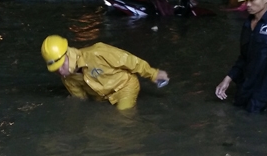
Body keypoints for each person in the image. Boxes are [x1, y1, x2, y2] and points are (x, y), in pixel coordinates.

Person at [41, 35, 170, 110]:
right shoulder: (68, 79)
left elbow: (130, 61)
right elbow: (81, 99)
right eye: (55, 70)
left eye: (61, 65)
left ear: (69, 55)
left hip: (124, 86)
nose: (60, 71)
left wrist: (153, 74)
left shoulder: (98, 53)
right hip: (102, 98)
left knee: (123, 118)